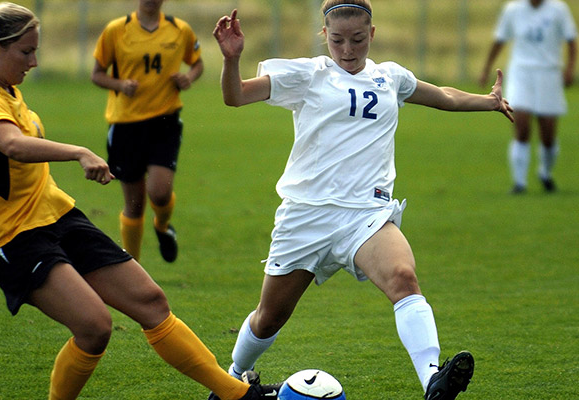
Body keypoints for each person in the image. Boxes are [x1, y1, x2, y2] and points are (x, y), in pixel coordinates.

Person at [0, 3, 280, 400]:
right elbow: (11, 145)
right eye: (26, 52)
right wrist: (78, 151)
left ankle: (235, 395)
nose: (34, 61)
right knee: (94, 327)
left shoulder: (1, 90)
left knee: (151, 301)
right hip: (13, 237)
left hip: (57, 215)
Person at [212, 2, 514, 399]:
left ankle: (432, 381)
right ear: (325, 36)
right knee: (269, 318)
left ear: (371, 34)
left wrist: (488, 101)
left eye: (357, 40)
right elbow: (235, 97)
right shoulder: (308, 74)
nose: (348, 50)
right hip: (307, 215)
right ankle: (233, 378)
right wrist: (231, 60)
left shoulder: (390, 77)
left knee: (404, 279)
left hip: (366, 215)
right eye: (337, 41)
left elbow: (443, 95)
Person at [91, 0, 204, 263]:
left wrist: (189, 77)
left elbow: (197, 63)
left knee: (160, 192)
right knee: (134, 204)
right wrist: (119, 84)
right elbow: (97, 74)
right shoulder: (116, 30)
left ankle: (163, 226)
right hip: (125, 125)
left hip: (165, 122)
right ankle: (133, 268)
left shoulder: (179, 29)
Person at [479, 0, 577, 194]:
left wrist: (570, 69)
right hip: (521, 74)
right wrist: (486, 69)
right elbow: (499, 40)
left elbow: (572, 41)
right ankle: (519, 183)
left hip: (549, 73)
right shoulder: (513, 9)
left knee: (548, 134)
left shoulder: (559, 9)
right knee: (521, 125)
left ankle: (545, 172)